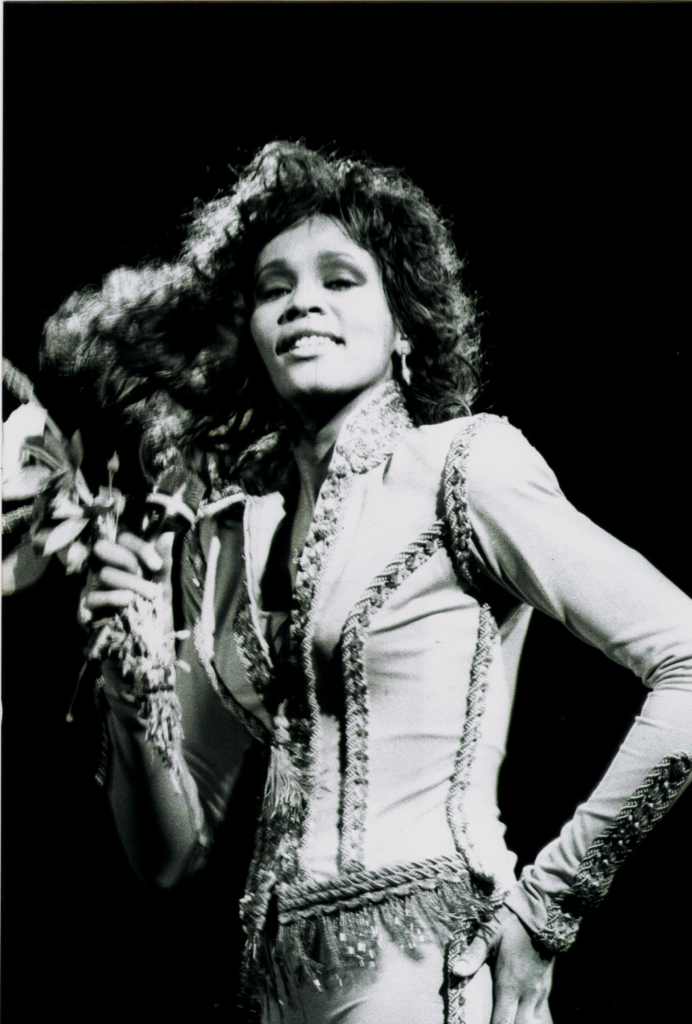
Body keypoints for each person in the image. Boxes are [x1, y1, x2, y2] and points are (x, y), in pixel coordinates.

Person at [43, 142, 692, 1024]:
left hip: (432, 969)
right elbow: (167, 854)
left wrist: (550, 906)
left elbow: (687, 660)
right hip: (275, 991)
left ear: (405, 326)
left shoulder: (463, 465)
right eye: (273, 288)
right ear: (250, 335)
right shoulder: (226, 540)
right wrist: (132, 676)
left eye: (341, 280)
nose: (302, 301)